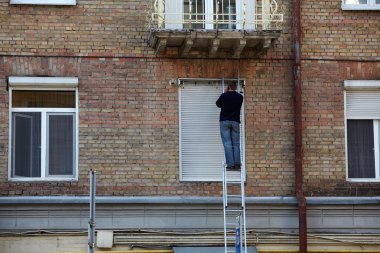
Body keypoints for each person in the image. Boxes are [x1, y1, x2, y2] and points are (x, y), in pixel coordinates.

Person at [216, 81, 244, 171]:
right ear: (235, 87)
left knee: (227, 143)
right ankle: (237, 164)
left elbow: (218, 104)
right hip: (235, 121)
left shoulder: (224, 96)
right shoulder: (240, 97)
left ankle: (230, 164)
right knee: (236, 143)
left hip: (224, 121)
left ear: (228, 87)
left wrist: (224, 93)